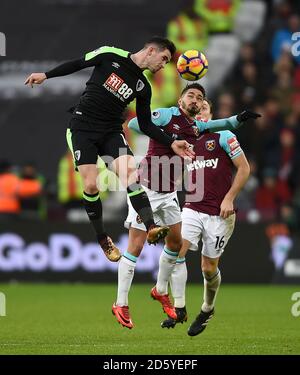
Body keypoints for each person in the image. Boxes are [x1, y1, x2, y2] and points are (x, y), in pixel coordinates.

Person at [24, 37, 195, 263]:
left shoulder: (144, 87)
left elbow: (146, 125)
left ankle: (152, 226)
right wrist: (46, 75)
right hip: (82, 126)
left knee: (132, 176)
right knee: (91, 185)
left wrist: (172, 141)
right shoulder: (110, 55)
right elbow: (78, 63)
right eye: (163, 59)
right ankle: (103, 237)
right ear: (151, 51)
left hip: (111, 131)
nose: (164, 65)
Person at [111, 87, 259, 329]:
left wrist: (238, 120)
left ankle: (164, 294)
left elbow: (220, 124)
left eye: (200, 98)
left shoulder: (194, 128)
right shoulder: (167, 115)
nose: (196, 101)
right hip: (146, 190)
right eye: (191, 96)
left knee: (176, 245)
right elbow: (137, 124)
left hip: (169, 193)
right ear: (180, 100)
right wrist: (167, 137)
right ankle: (121, 303)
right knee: (136, 245)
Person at [160, 99, 251, 337]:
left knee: (208, 268)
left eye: (204, 109)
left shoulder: (223, 135)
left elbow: (244, 168)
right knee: (177, 250)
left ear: (211, 114)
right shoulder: (184, 141)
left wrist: (229, 198)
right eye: (196, 109)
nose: (200, 112)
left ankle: (207, 308)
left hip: (220, 214)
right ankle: (179, 308)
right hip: (192, 208)